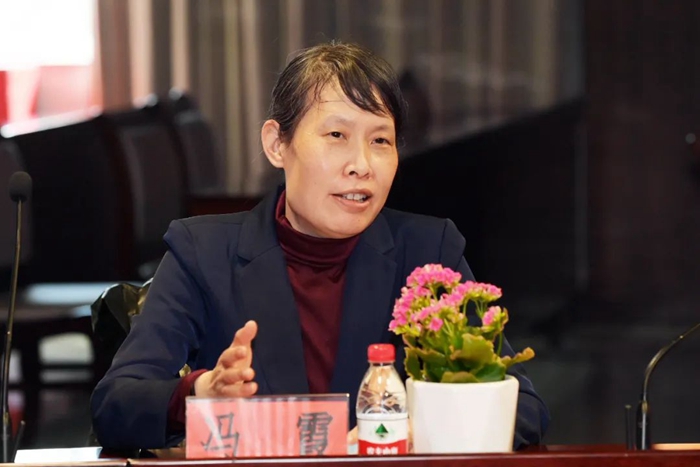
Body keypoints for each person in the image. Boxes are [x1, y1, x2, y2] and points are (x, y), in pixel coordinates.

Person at [91, 41, 550, 451]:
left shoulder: (427, 252)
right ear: (277, 144)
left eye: (381, 140)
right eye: (336, 136)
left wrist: (413, 433)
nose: (361, 165)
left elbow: (524, 408)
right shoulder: (203, 252)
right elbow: (115, 406)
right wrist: (201, 392)